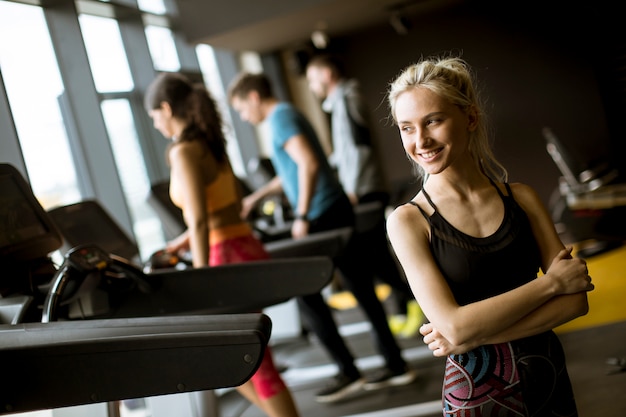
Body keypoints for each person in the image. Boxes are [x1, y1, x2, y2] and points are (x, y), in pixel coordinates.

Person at [385, 55, 595, 415]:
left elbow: (576, 301)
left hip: (548, 376)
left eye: (433, 120)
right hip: (478, 392)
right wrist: (549, 286)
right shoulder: (409, 221)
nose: (421, 140)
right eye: (407, 127)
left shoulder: (521, 198)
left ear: (469, 118)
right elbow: (452, 325)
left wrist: (470, 334)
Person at [227, 72, 416, 403]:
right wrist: (255, 199)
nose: (245, 116)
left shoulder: (280, 118)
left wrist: (301, 215)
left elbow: (308, 163)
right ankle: (393, 364)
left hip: (321, 214)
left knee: (307, 296)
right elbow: (291, 170)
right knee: (359, 287)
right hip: (332, 208)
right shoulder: (288, 114)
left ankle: (348, 371)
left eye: (242, 109)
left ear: (254, 97)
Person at [144, 72, 300, 417]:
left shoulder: (183, 150)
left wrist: (202, 278)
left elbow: (199, 219)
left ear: (166, 109)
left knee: (251, 361)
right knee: (238, 360)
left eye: (154, 117)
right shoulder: (210, 143)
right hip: (243, 246)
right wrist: (183, 243)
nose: (155, 125)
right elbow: (221, 212)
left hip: (225, 258)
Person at [305, 53, 423, 338]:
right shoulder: (339, 103)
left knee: (374, 257)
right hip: (362, 187)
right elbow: (346, 151)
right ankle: (407, 304)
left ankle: (413, 301)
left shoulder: (347, 98)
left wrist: (353, 189)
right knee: (376, 255)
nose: (311, 86)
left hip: (364, 189)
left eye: (311, 79)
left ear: (326, 74)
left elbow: (359, 148)